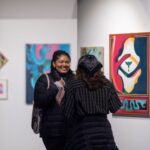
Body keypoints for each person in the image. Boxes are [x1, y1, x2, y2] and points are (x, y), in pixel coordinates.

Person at [61, 54, 122, 150]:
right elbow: (115, 108)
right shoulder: (107, 83)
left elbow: (68, 113)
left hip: (83, 130)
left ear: (80, 69)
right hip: (104, 130)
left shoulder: (73, 85)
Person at [34, 50, 75, 150]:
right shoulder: (44, 79)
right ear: (54, 63)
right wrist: (56, 87)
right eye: (61, 61)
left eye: (67, 62)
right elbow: (39, 101)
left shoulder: (75, 79)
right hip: (52, 132)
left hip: (72, 130)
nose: (64, 64)